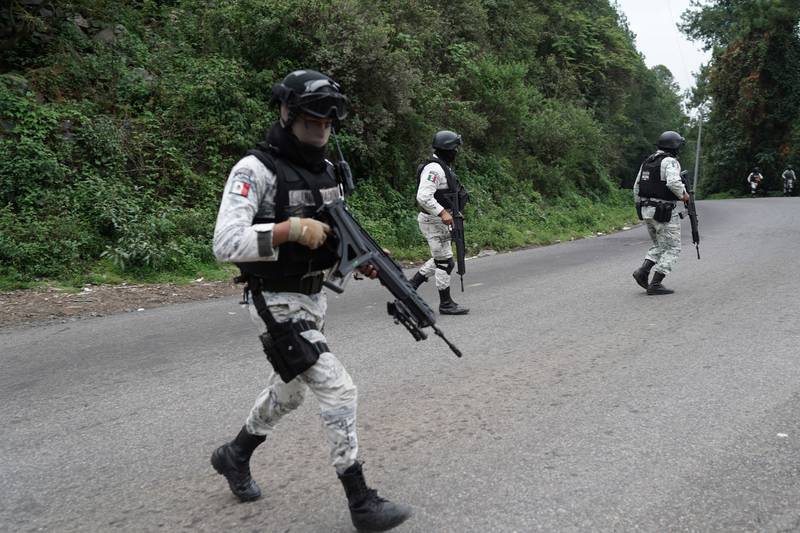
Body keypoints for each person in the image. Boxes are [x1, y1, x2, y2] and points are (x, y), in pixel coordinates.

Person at [210, 69, 411, 532]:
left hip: (313, 298)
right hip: (273, 299)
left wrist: (355, 258)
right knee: (339, 389)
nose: (319, 132)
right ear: (286, 115)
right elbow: (225, 243)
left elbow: (334, 232)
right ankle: (361, 501)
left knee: (291, 390)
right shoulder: (254, 169)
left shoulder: (328, 171)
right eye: (310, 123)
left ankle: (234, 454)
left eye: (326, 125)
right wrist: (288, 230)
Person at [407, 130, 470, 315]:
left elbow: (446, 196)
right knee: (445, 262)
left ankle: (409, 287)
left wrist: (454, 214)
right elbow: (423, 196)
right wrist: (443, 213)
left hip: (439, 221)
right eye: (455, 148)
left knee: (442, 260)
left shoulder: (443, 166)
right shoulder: (433, 169)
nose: (457, 152)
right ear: (447, 149)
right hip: (432, 221)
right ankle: (445, 304)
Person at [632, 130, 690, 295]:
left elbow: (636, 187)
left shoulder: (648, 161)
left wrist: (640, 208)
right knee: (673, 247)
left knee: (660, 245)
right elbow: (673, 182)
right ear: (675, 147)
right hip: (663, 211)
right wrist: (684, 196)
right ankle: (656, 283)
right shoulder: (670, 162)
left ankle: (642, 272)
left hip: (646, 210)